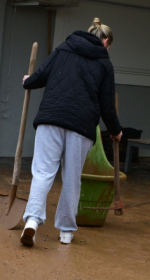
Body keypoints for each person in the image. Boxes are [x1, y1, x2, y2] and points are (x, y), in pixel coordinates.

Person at [19, 18, 123, 247]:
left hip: (50, 118)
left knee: (43, 172)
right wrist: (116, 131)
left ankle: (32, 222)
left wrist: (28, 82)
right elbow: (107, 106)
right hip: (81, 126)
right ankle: (66, 231)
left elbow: (42, 74)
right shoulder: (104, 63)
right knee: (72, 178)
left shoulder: (65, 47)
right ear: (105, 41)